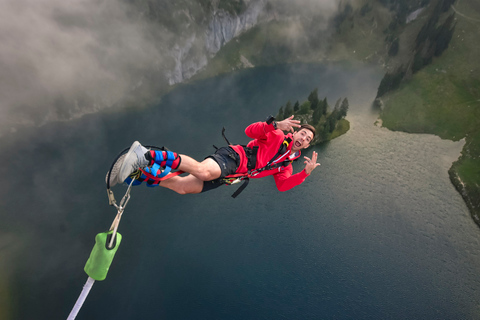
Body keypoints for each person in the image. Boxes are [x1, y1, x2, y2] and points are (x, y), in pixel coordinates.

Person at [108, 115, 320, 196]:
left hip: (231, 175)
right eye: (303, 133)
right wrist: (273, 124)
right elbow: (250, 131)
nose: (304, 138)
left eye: (308, 139)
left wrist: (304, 174)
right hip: (235, 157)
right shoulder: (277, 135)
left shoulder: (286, 166)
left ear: (305, 147)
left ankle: (140, 173)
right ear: (295, 132)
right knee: (203, 171)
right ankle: (145, 154)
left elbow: (282, 186)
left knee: (182, 188)